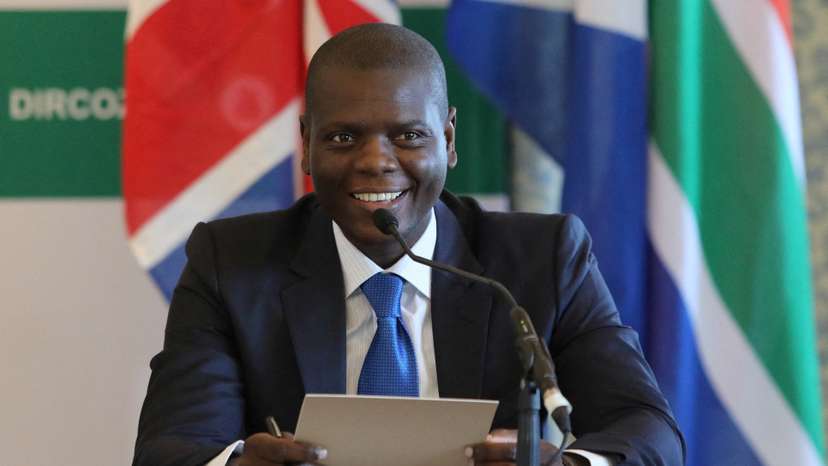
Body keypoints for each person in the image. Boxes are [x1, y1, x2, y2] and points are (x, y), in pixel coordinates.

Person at [133, 23, 684, 466]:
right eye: (344, 137)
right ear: (305, 146)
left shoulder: (543, 258)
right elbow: (170, 448)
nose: (376, 161)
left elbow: (648, 432)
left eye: (408, 136)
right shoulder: (231, 264)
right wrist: (236, 465)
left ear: (447, 139)